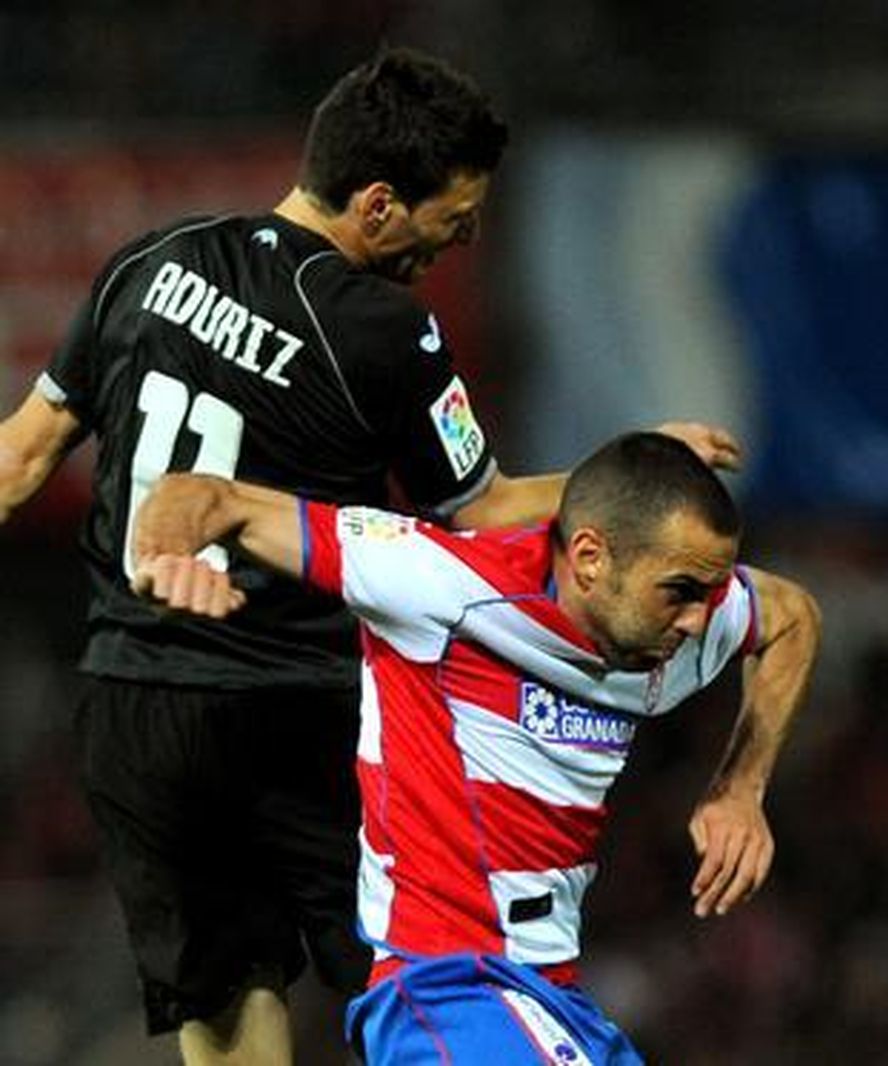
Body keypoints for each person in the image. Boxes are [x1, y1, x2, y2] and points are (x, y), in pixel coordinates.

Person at [0, 46, 738, 1065]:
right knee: (419, 975)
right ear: (381, 204)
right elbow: (477, 508)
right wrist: (624, 470)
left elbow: (21, 455)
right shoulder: (384, 331)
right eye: (457, 213)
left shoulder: (150, 257)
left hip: (137, 702)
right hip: (302, 708)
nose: (465, 235)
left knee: (228, 997)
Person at [132, 431, 822, 1064]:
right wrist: (161, 559)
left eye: (711, 591)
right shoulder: (436, 582)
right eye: (680, 592)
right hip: (447, 988)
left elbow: (793, 616)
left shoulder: (680, 624)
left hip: (549, 997)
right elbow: (203, 496)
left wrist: (740, 787)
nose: (703, 616)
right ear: (589, 558)